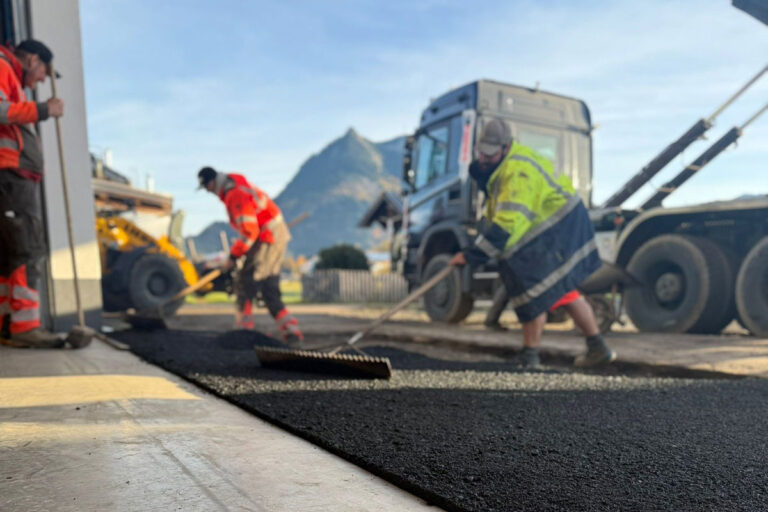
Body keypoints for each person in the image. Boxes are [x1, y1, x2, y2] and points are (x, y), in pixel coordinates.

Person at [450, 118, 616, 368]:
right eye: (481, 153)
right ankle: (596, 348)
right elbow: (499, 213)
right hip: (547, 230)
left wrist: (472, 255)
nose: (484, 159)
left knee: (536, 289)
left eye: (490, 155)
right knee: (557, 291)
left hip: (558, 230)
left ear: (506, 147)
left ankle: (531, 355)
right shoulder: (502, 168)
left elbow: (506, 224)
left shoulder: (518, 172)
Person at [0, 40, 67, 348]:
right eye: (43, 72)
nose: (41, 80)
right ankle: (24, 326)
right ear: (33, 59)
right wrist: (43, 110)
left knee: (8, 253)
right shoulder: (3, 67)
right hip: (11, 175)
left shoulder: (10, 75)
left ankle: (7, 322)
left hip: (11, 175)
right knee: (27, 247)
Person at [197, 167, 304, 346]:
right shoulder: (234, 187)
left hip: (268, 237)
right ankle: (292, 333)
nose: (208, 191)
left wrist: (233, 257)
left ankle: (243, 335)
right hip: (269, 236)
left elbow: (249, 232)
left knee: (245, 283)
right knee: (268, 289)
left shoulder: (235, 194)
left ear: (212, 182)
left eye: (206, 187)